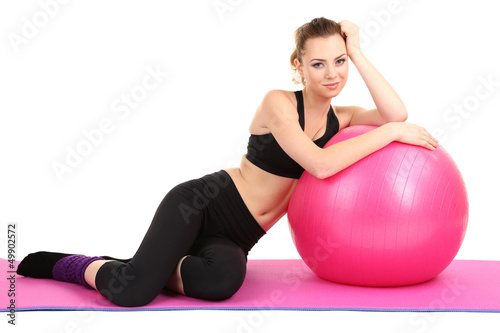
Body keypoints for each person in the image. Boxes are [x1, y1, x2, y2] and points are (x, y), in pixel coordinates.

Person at [16, 17, 438, 307]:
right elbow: (320, 164)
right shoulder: (278, 103)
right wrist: (390, 134)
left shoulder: (341, 117)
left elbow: (395, 112)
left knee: (222, 283)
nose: (332, 73)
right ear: (299, 68)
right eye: (318, 63)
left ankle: (149, 264)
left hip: (238, 235)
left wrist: (359, 52)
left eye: (339, 61)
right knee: (132, 293)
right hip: (202, 204)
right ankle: (76, 265)